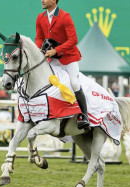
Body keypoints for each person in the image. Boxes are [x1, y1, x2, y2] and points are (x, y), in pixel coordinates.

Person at [35, 0, 89, 129]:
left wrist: (56, 50)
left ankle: (84, 116)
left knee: (74, 83)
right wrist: (38, 50)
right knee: (48, 83)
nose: (42, 0)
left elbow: (73, 40)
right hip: (52, 58)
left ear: (54, 1)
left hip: (69, 57)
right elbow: (39, 38)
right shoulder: (40, 17)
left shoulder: (65, 16)